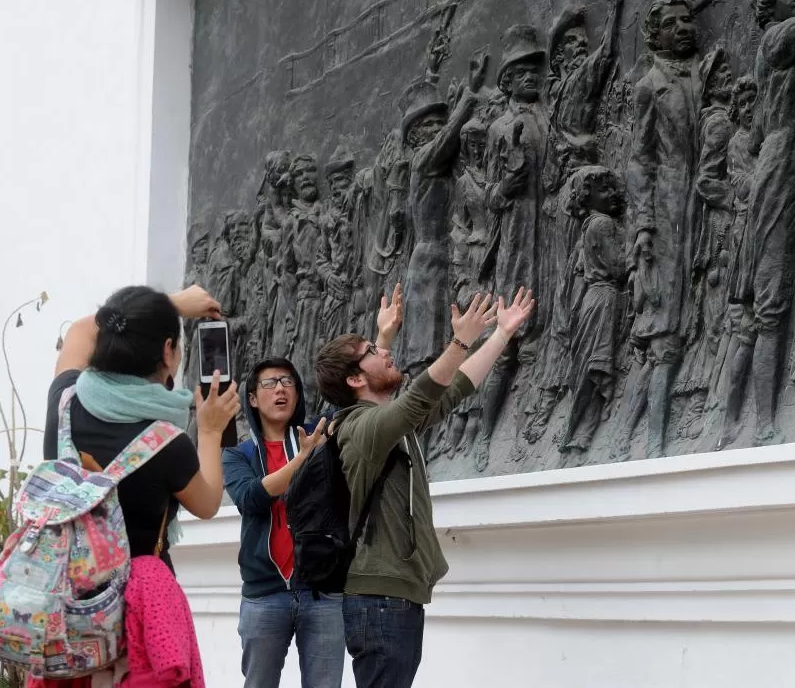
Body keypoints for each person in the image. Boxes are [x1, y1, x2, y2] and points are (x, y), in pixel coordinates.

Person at [315, 286, 535, 688]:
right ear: (353, 378)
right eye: (372, 351)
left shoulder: (386, 424)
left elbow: (453, 390)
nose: (385, 350)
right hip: (380, 601)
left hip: (394, 598)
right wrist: (460, 340)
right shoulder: (360, 428)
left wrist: (501, 334)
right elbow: (420, 396)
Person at [223, 285, 403, 688]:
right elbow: (252, 498)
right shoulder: (239, 456)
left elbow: (362, 404)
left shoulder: (321, 431)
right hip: (263, 595)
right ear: (252, 398)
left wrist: (384, 338)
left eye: (288, 381)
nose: (281, 389)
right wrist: (303, 458)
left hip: (321, 592)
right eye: (270, 383)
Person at [46, 284, 238, 572]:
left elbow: (81, 330)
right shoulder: (167, 444)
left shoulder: (65, 401)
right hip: (137, 604)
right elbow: (208, 502)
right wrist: (210, 431)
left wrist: (169, 304)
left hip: (66, 593)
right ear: (167, 351)